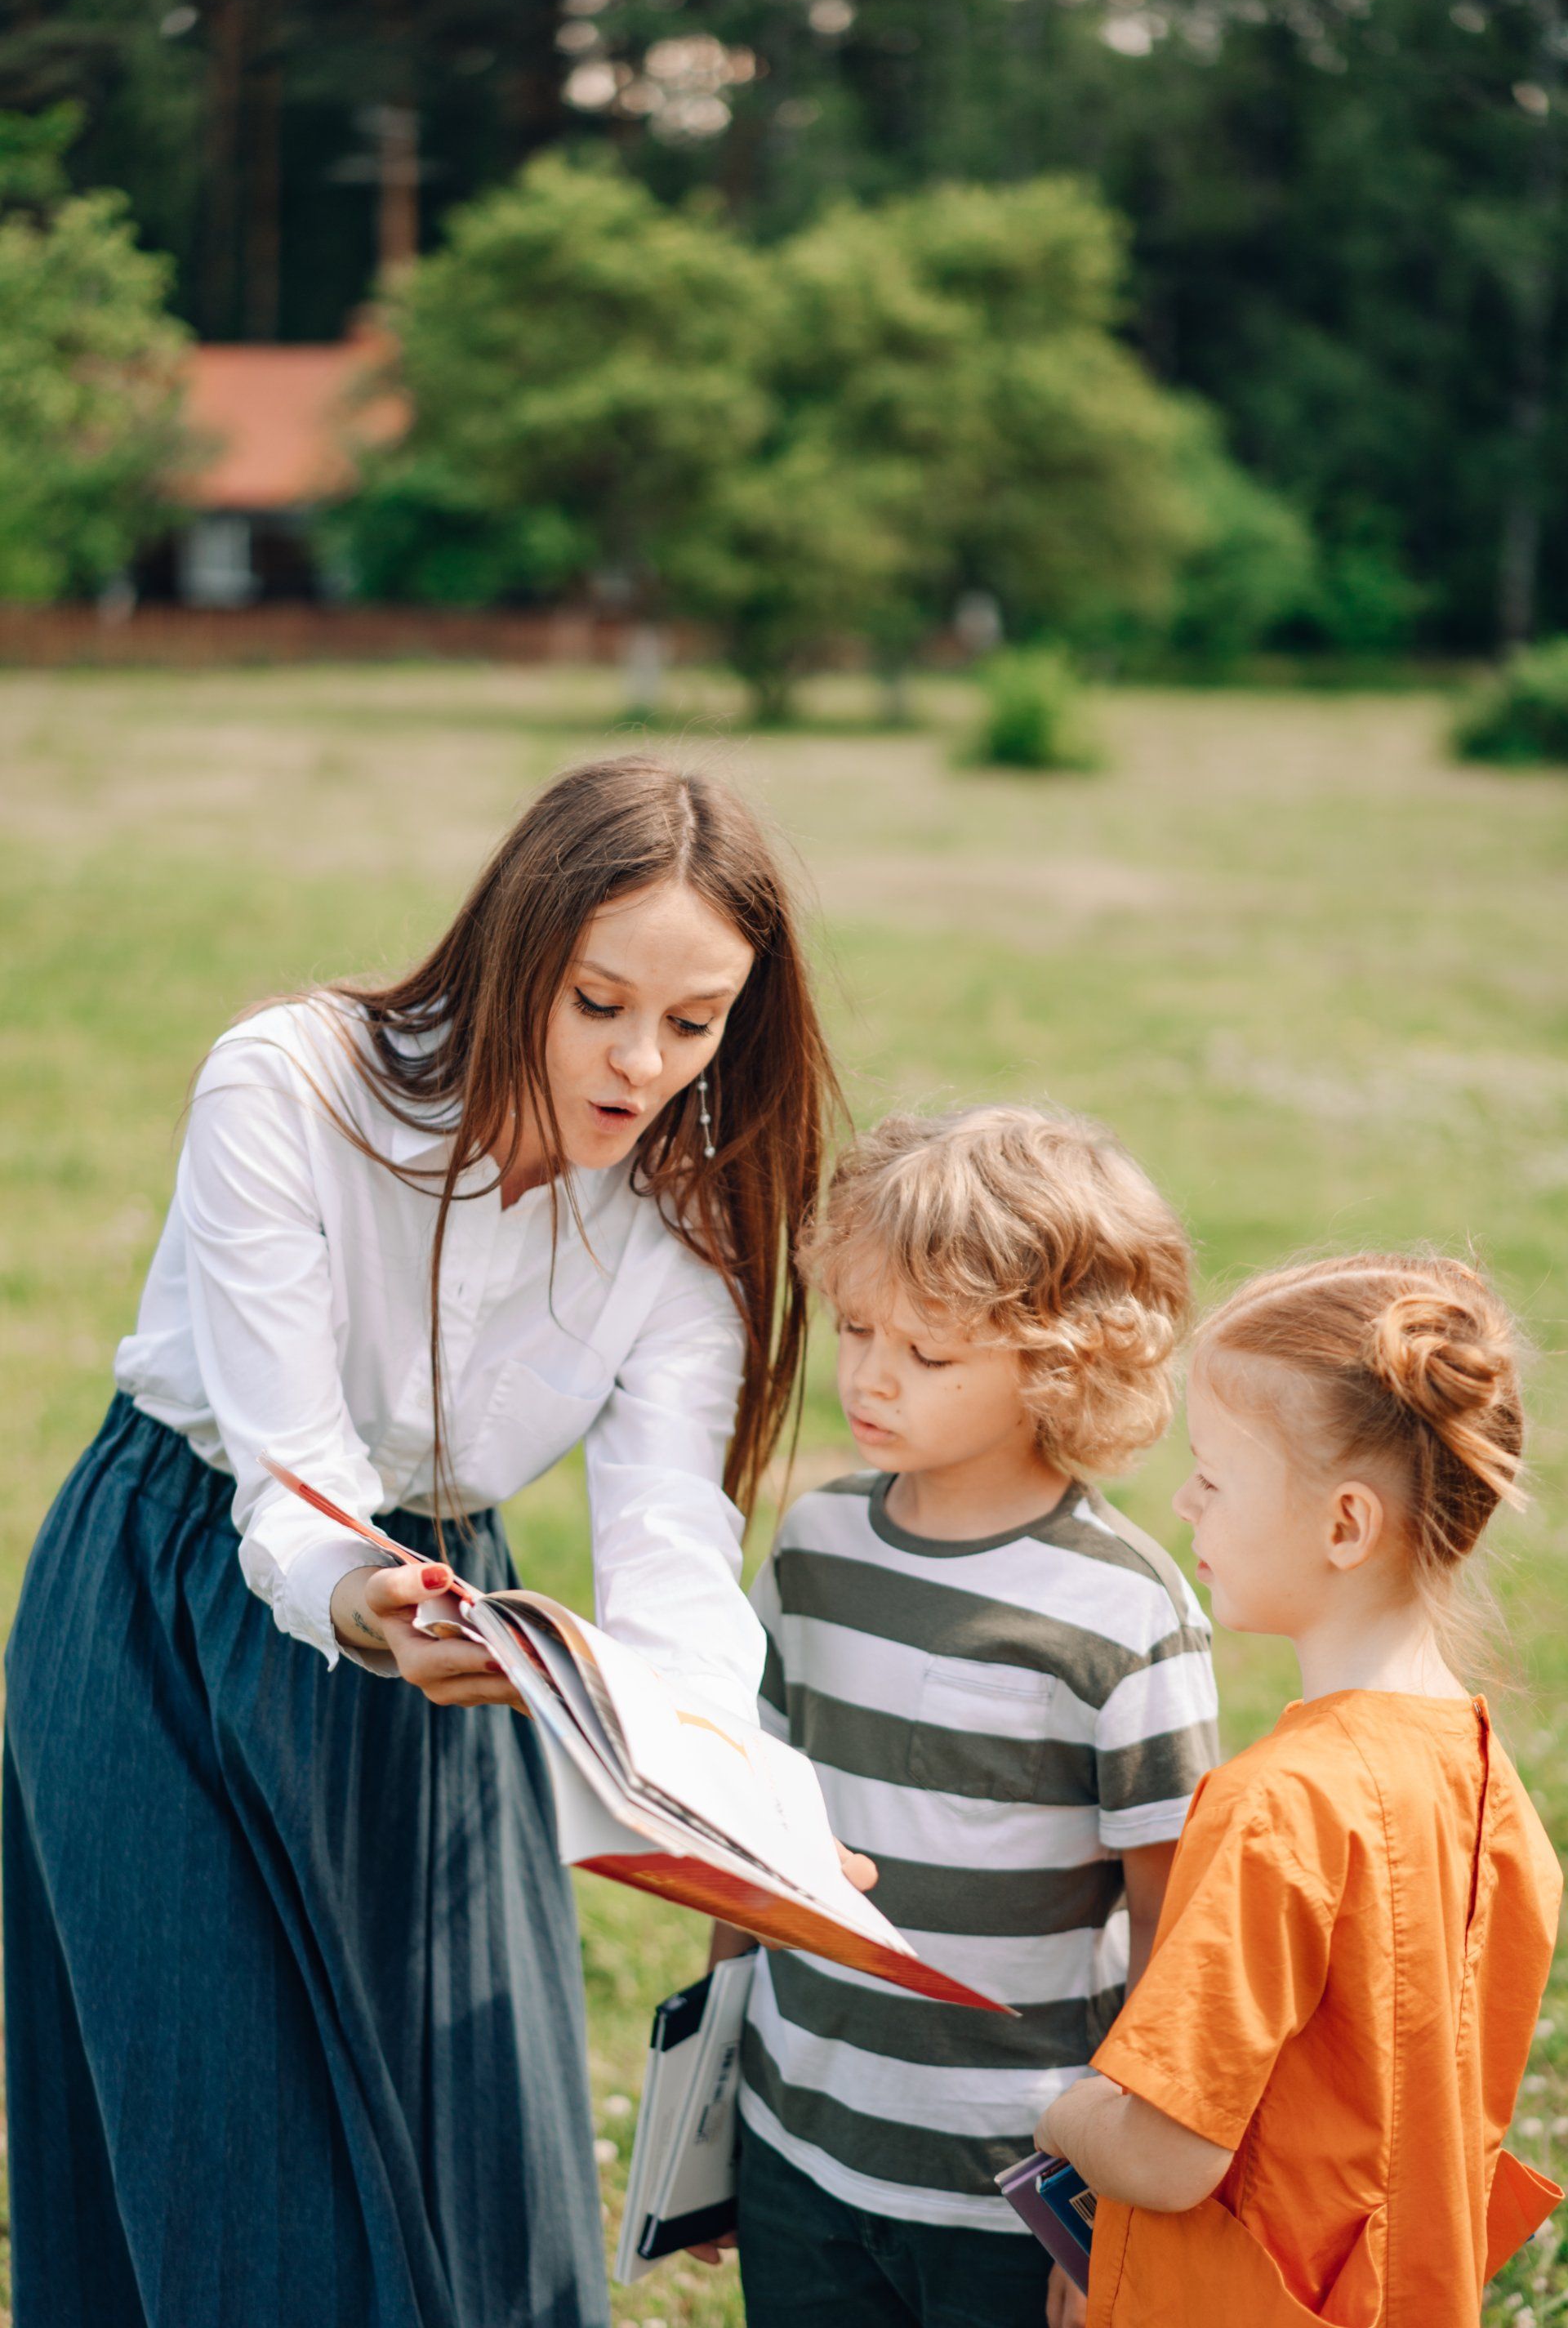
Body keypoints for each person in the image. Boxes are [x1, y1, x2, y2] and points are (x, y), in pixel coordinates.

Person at [3, 756, 847, 2328]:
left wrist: (733, 1804)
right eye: (599, 1002)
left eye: (695, 1020)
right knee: (223, 2162)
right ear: (518, 947)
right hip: (174, 1601)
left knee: (486, 2164)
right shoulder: (293, 1081)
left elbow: (669, 1548)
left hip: (461, 1641)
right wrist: (360, 1596)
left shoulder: (686, 1227)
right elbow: (292, 1477)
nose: (643, 1061)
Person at [705, 1108, 1221, 2328]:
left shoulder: (1127, 1611)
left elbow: (1175, 1935)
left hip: (1011, 2188)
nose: (873, 1376)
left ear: (1063, 1363)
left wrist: (1112, 2203)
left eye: (930, 1355)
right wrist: (709, 2089)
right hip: (799, 2145)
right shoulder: (817, 1547)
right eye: (857, 1328)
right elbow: (750, 1836)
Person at [1040, 1252, 1563, 2326]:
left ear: (1345, 1527)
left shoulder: (1274, 1806)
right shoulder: (1491, 1787)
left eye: (1215, 1477)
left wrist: (1070, 2117)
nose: (1183, 1499)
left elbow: (1173, 2153)